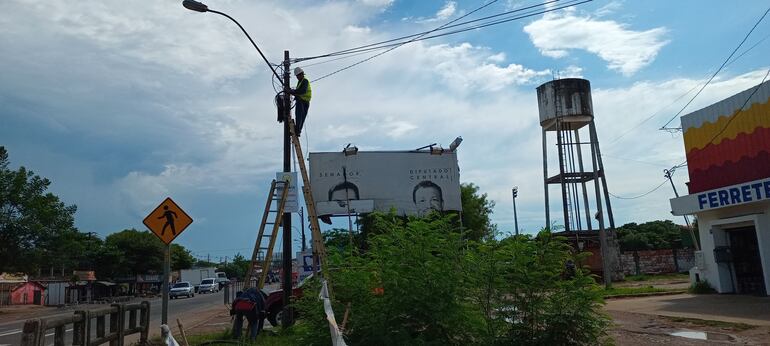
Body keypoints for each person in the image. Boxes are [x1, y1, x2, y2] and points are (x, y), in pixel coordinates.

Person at [288, 67, 312, 137]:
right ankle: (298, 131)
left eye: (298, 76)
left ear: (301, 74)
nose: (297, 78)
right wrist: (292, 92)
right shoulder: (300, 82)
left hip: (303, 101)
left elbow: (302, 91)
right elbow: (298, 91)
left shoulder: (305, 81)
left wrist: (292, 91)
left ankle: (297, 130)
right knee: (301, 117)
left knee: (300, 116)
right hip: (304, 101)